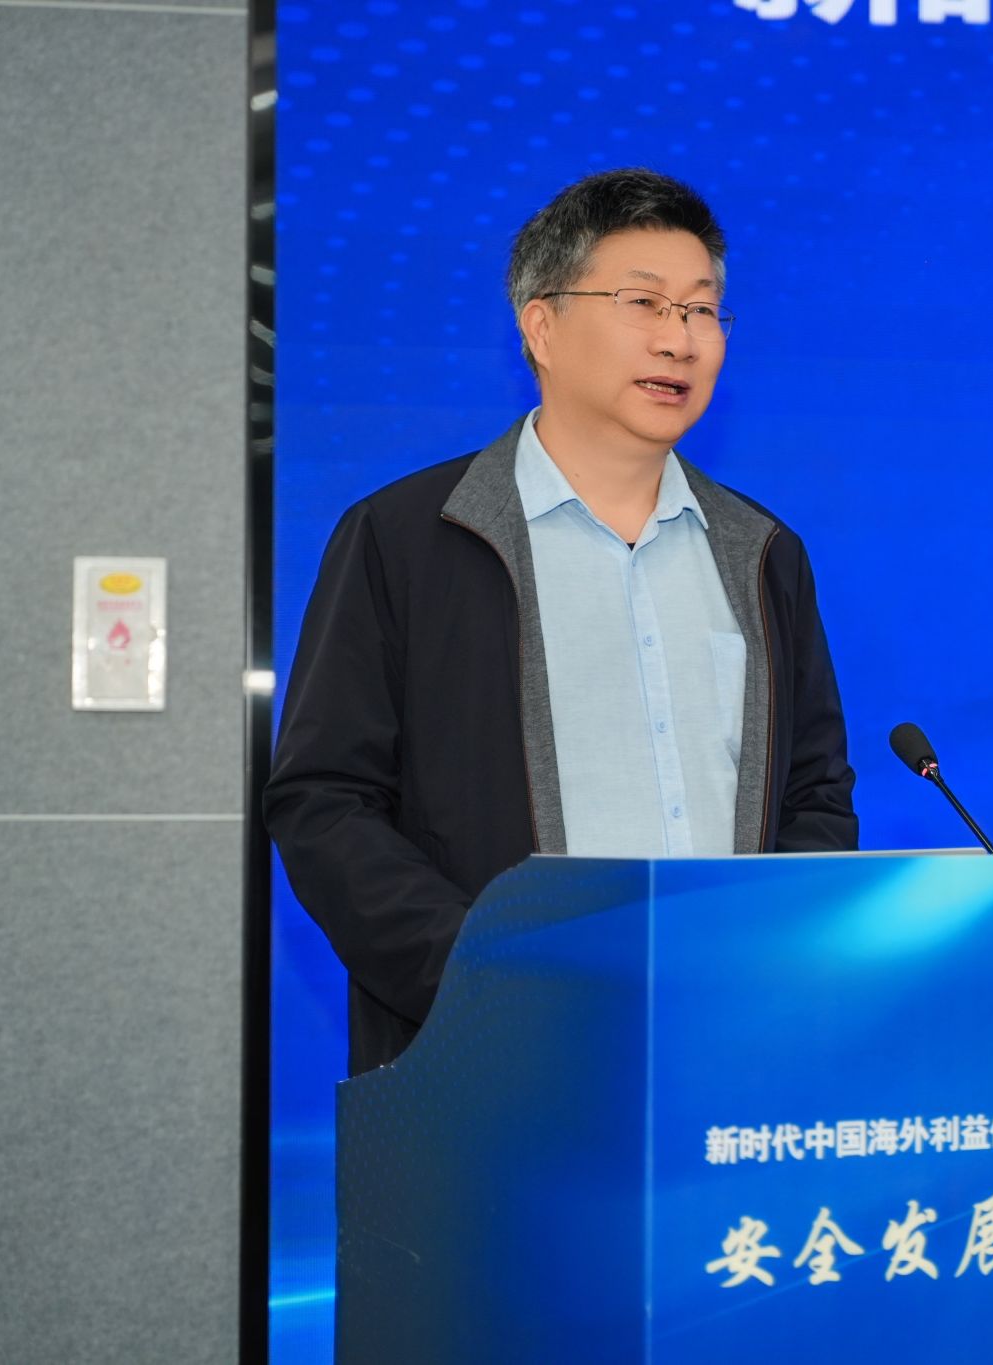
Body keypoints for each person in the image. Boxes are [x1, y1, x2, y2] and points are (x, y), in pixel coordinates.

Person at [264, 168, 858, 1074]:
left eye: (702, 310)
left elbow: (814, 795)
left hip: (725, 1047)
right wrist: (486, 977)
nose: (679, 339)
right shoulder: (405, 538)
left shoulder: (764, 552)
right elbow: (324, 801)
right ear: (541, 326)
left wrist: (765, 957)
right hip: (491, 1057)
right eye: (643, 303)